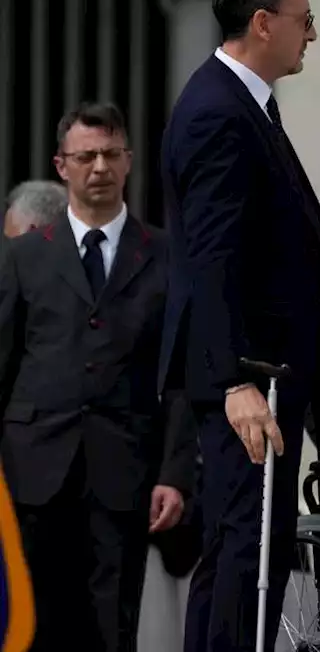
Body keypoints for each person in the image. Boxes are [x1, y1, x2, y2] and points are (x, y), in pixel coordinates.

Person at [157, 0, 320, 650]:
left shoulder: (245, 104)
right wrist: (234, 381)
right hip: (248, 376)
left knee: (243, 545)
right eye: (305, 21)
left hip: (267, 370)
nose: (312, 35)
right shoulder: (217, 112)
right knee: (248, 548)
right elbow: (210, 262)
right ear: (264, 24)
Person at [0, 101, 195, 651]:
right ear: (62, 166)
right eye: (86, 156)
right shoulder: (23, 258)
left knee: (114, 626)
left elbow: (180, 374)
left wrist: (175, 473)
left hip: (124, 471)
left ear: (129, 161)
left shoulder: (166, 255)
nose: (99, 167)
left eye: (111, 154)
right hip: (33, 467)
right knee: (33, 621)